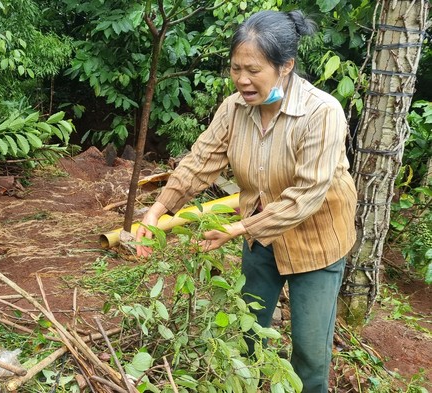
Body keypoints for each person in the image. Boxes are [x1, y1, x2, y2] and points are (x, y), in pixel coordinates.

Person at [135, 9, 357, 393]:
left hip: (317, 240)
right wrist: (155, 212)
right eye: (235, 68)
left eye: (253, 70)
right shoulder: (234, 109)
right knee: (246, 329)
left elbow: (307, 195)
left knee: (310, 350)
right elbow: (200, 161)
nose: (241, 80)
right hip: (260, 235)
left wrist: (238, 228)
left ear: (285, 66)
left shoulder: (322, 112)